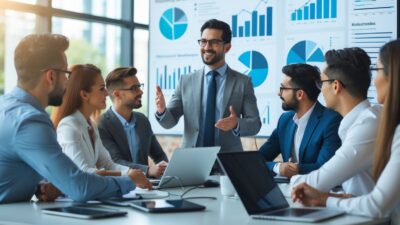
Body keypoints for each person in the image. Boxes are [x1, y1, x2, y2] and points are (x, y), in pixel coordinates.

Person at [0, 34, 151, 203]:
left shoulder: (7, 108)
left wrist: (43, 185)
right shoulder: (30, 122)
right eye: (65, 73)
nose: (67, 81)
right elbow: (81, 188)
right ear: (50, 76)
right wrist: (129, 180)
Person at [292, 40, 400, 224]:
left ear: (336, 86)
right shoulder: (370, 118)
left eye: (378, 70)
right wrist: (340, 198)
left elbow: (313, 184)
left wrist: (324, 198)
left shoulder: (369, 123)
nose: (374, 80)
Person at [155, 19, 261, 152]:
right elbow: (169, 122)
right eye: (203, 41)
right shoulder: (186, 81)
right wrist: (162, 111)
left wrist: (236, 123)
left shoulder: (242, 82)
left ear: (227, 47)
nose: (207, 47)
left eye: (214, 42)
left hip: (228, 160)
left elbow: (255, 124)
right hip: (192, 159)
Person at [290, 47, 381, 197]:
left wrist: (291, 181)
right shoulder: (364, 118)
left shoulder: (367, 124)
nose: (321, 90)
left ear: (336, 86)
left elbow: (318, 182)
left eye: (321, 82)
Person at [52, 64, 137, 177]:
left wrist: (133, 173)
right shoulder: (68, 126)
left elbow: (107, 164)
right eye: (102, 88)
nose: (107, 93)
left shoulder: (90, 124)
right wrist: (128, 175)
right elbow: (83, 172)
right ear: (84, 95)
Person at [259, 64, 341, 178]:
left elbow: (325, 168)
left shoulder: (332, 121)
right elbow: (258, 159)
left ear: (299, 94)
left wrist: (296, 169)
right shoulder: (285, 120)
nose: (279, 93)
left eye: (283, 88)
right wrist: (277, 167)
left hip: (318, 191)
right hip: (288, 190)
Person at [98, 67, 168, 178]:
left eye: (139, 87)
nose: (141, 91)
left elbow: (159, 155)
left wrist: (167, 172)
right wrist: (148, 170)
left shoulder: (142, 120)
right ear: (117, 94)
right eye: (134, 88)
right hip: (119, 188)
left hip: (146, 187)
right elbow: (115, 162)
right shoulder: (101, 124)